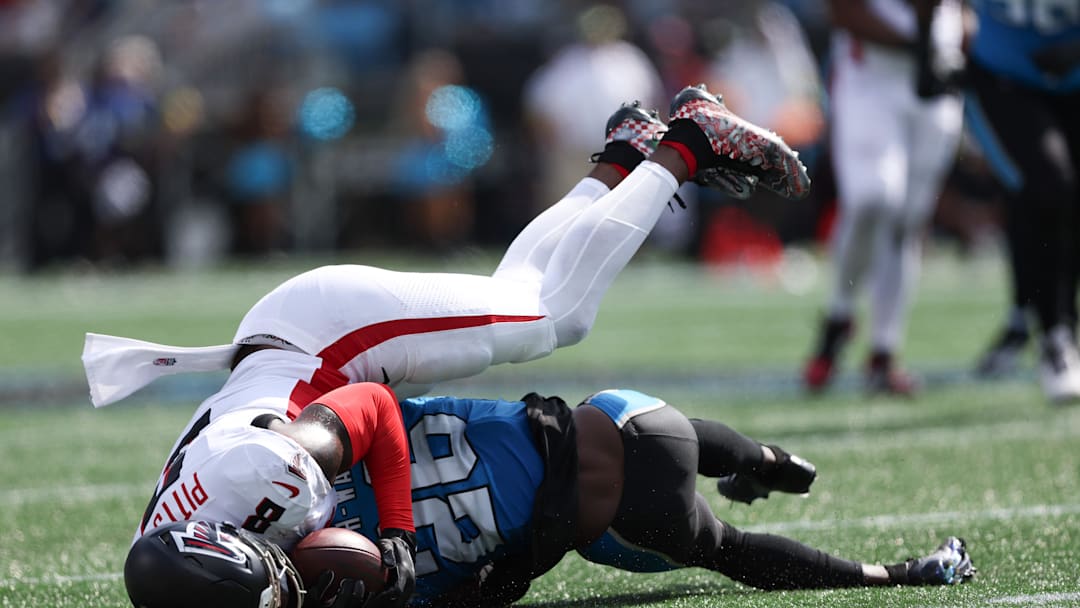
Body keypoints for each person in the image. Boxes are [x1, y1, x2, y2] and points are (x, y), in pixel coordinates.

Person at [94, 87, 811, 604]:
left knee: (555, 316)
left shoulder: (254, 480)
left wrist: (400, 534)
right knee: (522, 294)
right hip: (299, 345)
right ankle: (626, 152)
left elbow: (370, 408)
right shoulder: (167, 550)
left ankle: (692, 141)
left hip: (327, 340)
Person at [126, 386, 975, 608]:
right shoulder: (284, 513)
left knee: (713, 541)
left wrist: (399, 543)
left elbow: (371, 409)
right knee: (668, 445)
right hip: (604, 450)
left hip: (605, 488)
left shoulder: (274, 473)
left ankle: (891, 574)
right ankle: (766, 459)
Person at [802, 0, 965, 396]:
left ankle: (884, 351)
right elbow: (842, 12)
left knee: (907, 221)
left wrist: (954, 41)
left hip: (936, 84)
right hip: (870, 78)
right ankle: (840, 314)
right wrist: (920, 39)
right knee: (872, 198)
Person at [963, 2, 1080, 402]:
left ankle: (1042, 321)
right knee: (1048, 184)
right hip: (1005, 74)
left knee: (1064, 196)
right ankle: (1055, 335)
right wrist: (932, 46)